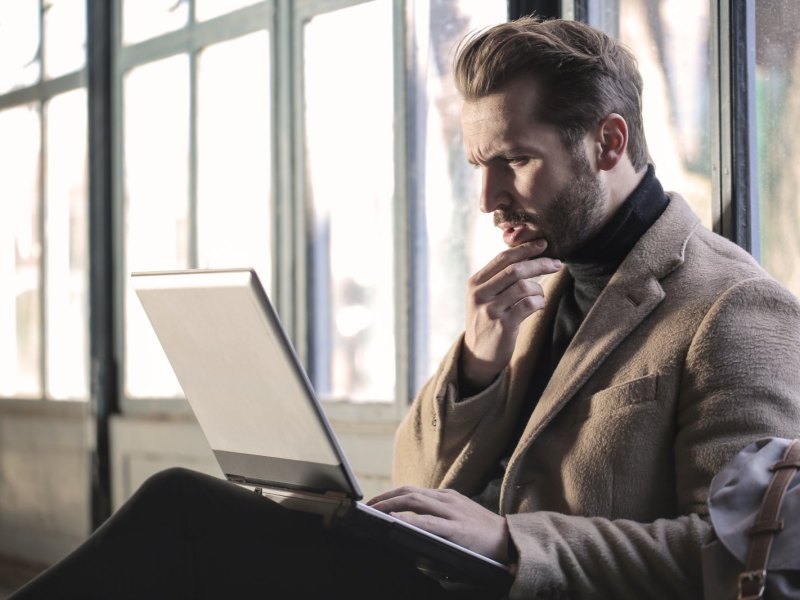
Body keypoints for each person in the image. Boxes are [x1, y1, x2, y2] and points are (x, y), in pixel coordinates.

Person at [10, 16, 800, 600]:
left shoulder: (733, 308)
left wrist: (512, 542)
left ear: (610, 141)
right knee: (189, 515)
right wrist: (481, 361)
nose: (490, 198)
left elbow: (740, 558)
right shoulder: (537, 282)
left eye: (517, 162)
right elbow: (415, 482)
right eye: (479, 166)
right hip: (428, 581)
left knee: (185, 519)